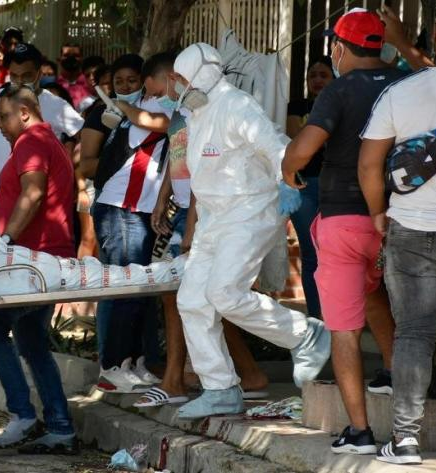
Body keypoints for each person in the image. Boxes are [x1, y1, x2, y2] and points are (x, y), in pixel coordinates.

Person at [169, 44, 330, 419]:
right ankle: (220, 387)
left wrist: (287, 179)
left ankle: (304, 334)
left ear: (201, 73)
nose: (175, 86)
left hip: (249, 209)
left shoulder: (236, 105)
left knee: (225, 293)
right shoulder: (196, 112)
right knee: (192, 300)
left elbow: (274, 143)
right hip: (215, 216)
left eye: (179, 78)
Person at [282, 9, 403, 454]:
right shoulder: (403, 81)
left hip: (343, 219)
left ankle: (360, 432)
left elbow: (303, 150)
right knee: (373, 295)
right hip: (396, 218)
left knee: (344, 329)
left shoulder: (339, 89)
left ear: (338, 47)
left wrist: (287, 169)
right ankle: (391, 371)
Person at [359, 2, 436, 464]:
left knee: (414, 335)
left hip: (414, 227)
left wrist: (380, 214)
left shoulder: (402, 92)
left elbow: (369, 165)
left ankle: (405, 441)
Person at [0, 85, 77, 454]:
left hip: (32, 260)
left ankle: (23, 415)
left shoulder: (33, 142)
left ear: (24, 112)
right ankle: (60, 427)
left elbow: (33, 193)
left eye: (3, 117)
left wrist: (5, 240)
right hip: (39, 259)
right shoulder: (45, 140)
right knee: (32, 341)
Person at [78, 52, 171, 394]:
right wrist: (119, 108)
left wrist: (121, 107)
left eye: (132, 81)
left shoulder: (154, 110)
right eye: (119, 83)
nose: (126, 88)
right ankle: (113, 366)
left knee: (139, 294)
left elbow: (157, 123)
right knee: (126, 290)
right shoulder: (131, 113)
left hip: (140, 213)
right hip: (118, 209)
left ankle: (134, 362)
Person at [0, 43, 83, 237]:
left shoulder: (56, 105)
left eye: (26, 76)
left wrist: (70, 169)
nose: (19, 82)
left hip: (37, 203)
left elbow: (85, 137)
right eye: (14, 76)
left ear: (38, 74)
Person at [285, 56, 334, 318]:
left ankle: (337, 317)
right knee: (311, 253)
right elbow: (295, 139)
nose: (316, 80)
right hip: (303, 186)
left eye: (323, 75)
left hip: (335, 187)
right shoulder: (298, 105)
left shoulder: (342, 103)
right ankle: (317, 320)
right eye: (312, 75)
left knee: (334, 253)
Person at [56, 43, 92, 110]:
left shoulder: (90, 84)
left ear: (82, 58)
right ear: (59, 58)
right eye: (66, 55)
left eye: (76, 55)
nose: (71, 58)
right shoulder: (54, 83)